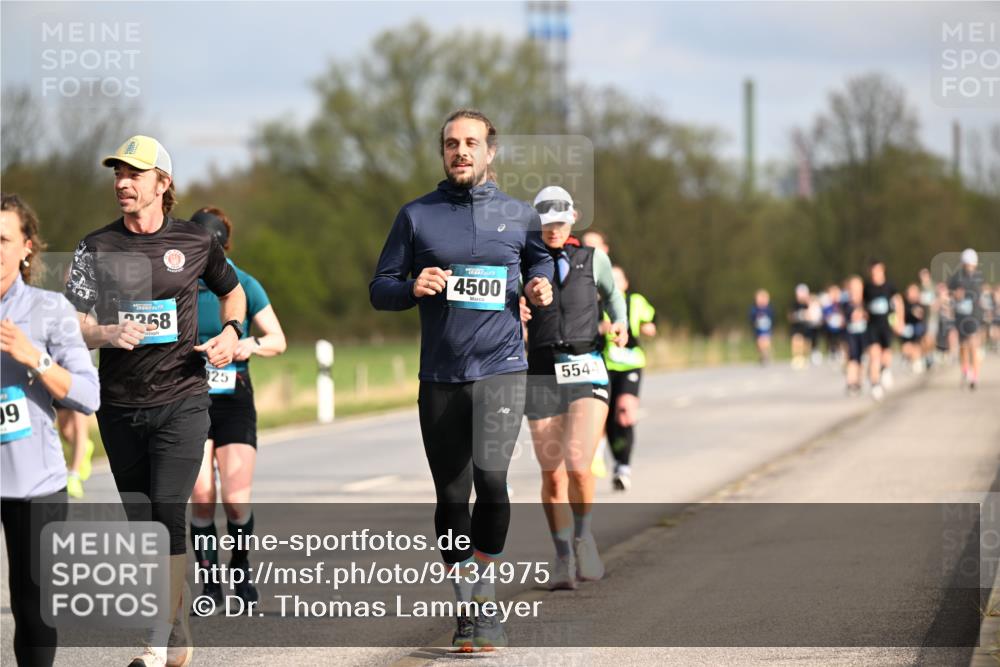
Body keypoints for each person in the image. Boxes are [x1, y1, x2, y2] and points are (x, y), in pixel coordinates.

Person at [370, 110, 553, 651]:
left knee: (491, 482)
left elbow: (541, 263)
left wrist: (539, 287)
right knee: (451, 498)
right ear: (442, 153)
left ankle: (484, 597)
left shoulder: (519, 215)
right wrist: (411, 286)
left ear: (491, 152)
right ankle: (466, 601)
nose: (461, 151)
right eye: (452, 144)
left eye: (471, 143)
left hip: (501, 369)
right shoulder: (416, 217)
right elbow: (381, 286)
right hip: (441, 376)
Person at [64, 136, 246, 667]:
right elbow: (71, 321)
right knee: (146, 525)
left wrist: (232, 333)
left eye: (135, 173)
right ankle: (177, 621)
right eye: (118, 173)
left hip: (183, 398)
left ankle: (155, 638)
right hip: (120, 404)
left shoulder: (194, 242)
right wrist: (104, 333)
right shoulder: (93, 246)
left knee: (168, 511)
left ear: (162, 184)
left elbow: (231, 291)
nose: (123, 182)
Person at [1, 193, 100, 666]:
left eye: (3, 238)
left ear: (26, 247)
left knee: (32, 605)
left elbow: (87, 395)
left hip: (34, 484)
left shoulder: (49, 310)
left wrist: (33, 357)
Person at [521, 186, 627, 591]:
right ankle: (563, 555)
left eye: (560, 221)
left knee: (579, 464)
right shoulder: (524, 260)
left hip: (586, 365)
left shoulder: (592, 258)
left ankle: (584, 538)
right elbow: (509, 300)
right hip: (542, 369)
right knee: (552, 475)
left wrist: (621, 323)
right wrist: (520, 300)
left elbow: (614, 297)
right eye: (546, 222)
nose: (553, 229)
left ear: (573, 219)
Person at [188, 206, 287, 611]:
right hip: (190, 396)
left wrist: (252, 345)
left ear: (224, 248)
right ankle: (210, 586)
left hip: (234, 398)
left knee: (235, 497)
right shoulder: (179, 286)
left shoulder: (243, 283)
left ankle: (240, 568)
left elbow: (278, 338)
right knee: (201, 493)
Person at [601, 265, 655, 492]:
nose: (614, 283)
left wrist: (647, 327)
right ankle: (617, 462)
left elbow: (650, 322)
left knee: (624, 412)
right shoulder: (597, 303)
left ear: (625, 283)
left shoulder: (636, 301)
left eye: (618, 279)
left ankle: (624, 466)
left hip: (631, 364)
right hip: (604, 366)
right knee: (608, 420)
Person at [863, 260, 903, 401]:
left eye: (877, 271)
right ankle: (875, 385)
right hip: (872, 326)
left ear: (882, 270)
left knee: (886, 353)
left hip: (886, 325)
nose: (875, 274)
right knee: (874, 355)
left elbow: (898, 303)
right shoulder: (867, 287)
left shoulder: (890, 286)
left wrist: (900, 321)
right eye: (873, 272)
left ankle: (885, 370)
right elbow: (863, 305)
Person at [949, 248, 984, 390]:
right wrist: (954, 295)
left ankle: (974, 377)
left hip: (974, 317)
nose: (970, 267)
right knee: (963, 346)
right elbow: (949, 292)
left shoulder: (978, 277)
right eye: (967, 264)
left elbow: (980, 295)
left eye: (972, 264)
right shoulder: (956, 278)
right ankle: (965, 370)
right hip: (961, 316)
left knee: (973, 345)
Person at [57, 407, 95, 498]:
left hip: (78, 393)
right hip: (61, 394)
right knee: (65, 431)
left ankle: (74, 475)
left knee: (79, 426)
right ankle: (84, 448)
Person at [843, 276, 868, 396]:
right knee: (852, 357)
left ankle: (859, 381)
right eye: (852, 288)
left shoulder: (866, 302)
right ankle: (850, 382)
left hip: (863, 333)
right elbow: (844, 318)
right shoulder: (846, 303)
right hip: (851, 333)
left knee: (861, 358)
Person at [900, 284, 927, 374]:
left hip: (918, 330)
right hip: (906, 330)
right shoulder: (903, 304)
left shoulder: (920, 304)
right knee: (907, 348)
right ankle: (910, 358)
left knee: (920, 343)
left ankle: (918, 359)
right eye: (911, 292)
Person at [788, 284, 811, 369]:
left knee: (805, 342)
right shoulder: (794, 304)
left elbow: (812, 315)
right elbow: (790, 316)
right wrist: (796, 317)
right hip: (796, 326)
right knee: (796, 340)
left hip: (805, 326)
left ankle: (804, 357)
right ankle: (796, 358)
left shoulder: (808, 304)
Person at [749, 289, 774, 365]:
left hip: (767, 328)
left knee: (766, 341)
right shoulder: (754, 309)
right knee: (759, 342)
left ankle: (766, 354)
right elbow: (751, 318)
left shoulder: (769, 309)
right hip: (758, 329)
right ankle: (762, 355)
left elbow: (773, 317)